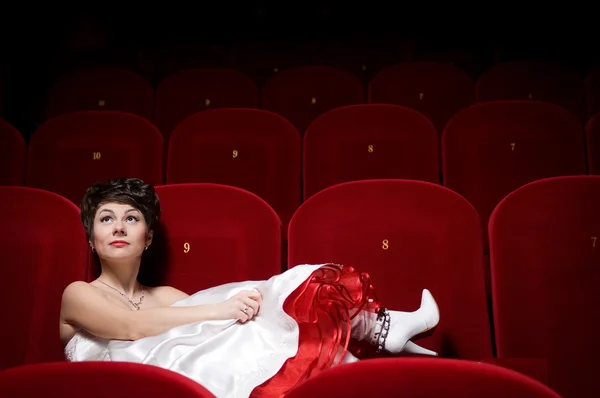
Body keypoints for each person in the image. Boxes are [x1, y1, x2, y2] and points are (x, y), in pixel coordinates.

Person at [60, 178, 440, 398]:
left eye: (132, 218)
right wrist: (221, 310)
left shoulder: (169, 298)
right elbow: (131, 328)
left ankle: (374, 333)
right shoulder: (79, 293)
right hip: (125, 391)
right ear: (91, 239)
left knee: (255, 314)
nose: (119, 227)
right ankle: (376, 338)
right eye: (106, 219)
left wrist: (234, 310)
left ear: (148, 238)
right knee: (228, 308)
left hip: (191, 385)